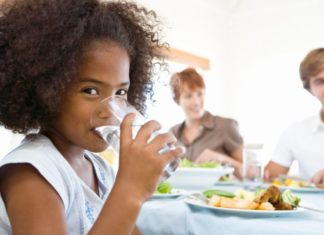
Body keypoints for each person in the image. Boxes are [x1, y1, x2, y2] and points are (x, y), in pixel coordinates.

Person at [0, 0, 184, 234]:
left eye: (120, 93)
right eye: (91, 91)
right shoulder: (31, 173)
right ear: (48, 90)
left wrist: (140, 185)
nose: (110, 110)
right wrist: (130, 190)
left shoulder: (99, 169)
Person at [169, 68, 243, 177]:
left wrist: (221, 158)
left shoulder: (226, 126)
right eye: (189, 96)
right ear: (177, 100)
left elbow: (250, 172)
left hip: (219, 194)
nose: (197, 102)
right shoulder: (173, 133)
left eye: (200, 94)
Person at [265, 48, 324, 185]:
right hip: (310, 206)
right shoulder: (296, 132)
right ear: (309, 89)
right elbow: (269, 178)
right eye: (320, 82)